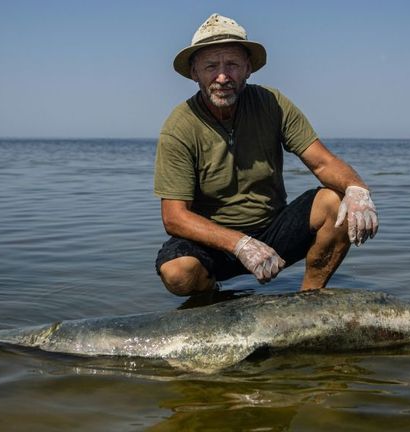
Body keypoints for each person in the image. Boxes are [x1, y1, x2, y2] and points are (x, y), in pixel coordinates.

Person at [154, 13, 378, 296]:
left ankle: (310, 298)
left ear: (248, 68)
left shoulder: (272, 103)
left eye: (233, 64)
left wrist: (357, 189)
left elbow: (323, 162)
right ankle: (212, 301)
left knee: (338, 201)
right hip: (215, 243)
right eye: (211, 66)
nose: (222, 76)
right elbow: (174, 217)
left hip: (273, 231)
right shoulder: (179, 126)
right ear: (194, 73)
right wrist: (240, 244)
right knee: (178, 273)